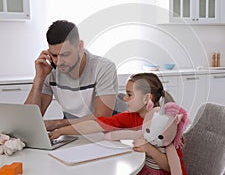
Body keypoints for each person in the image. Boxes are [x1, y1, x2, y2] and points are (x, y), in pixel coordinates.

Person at [49, 73, 187, 175]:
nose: (124, 99)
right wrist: (61, 131)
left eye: (129, 94)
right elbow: (95, 125)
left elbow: (172, 167)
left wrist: (150, 150)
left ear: (146, 98)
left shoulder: (167, 124)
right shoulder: (131, 117)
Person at [25, 20, 118, 131]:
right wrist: (39, 79)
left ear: (80, 46)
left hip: (102, 134)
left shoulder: (103, 68)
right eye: (54, 55)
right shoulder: (50, 70)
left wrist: (57, 124)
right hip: (69, 132)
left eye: (65, 54)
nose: (58, 62)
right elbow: (30, 119)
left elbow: (102, 117)